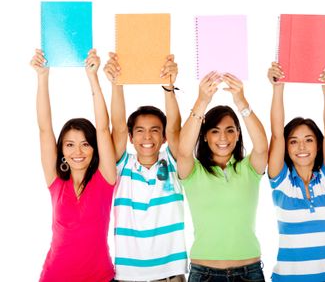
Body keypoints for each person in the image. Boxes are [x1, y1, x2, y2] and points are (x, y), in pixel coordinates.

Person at [31, 49, 116, 282]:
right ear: (62, 150)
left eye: (85, 144)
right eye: (69, 145)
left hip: (100, 277)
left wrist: (93, 78)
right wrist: (42, 77)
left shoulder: (106, 178)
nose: (77, 152)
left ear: (94, 149)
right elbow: (45, 128)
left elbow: (102, 127)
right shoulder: (55, 182)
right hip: (54, 276)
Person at [177, 72, 268, 282]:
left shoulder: (249, 169)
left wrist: (241, 101)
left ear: (238, 134)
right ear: (206, 137)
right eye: (215, 131)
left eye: (230, 130)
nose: (223, 138)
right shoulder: (193, 172)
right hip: (204, 274)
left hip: (249, 272)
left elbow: (262, 146)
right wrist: (202, 100)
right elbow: (183, 150)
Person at [103, 53, 187, 282]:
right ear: (131, 137)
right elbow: (118, 127)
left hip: (171, 273)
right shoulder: (122, 166)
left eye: (155, 130)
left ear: (164, 137)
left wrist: (169, 88)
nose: (147, 136)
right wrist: (117, 84)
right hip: (128, 275)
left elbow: (175, 129)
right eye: (140, 130)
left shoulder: (172, 163)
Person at [267, 62, 325, 282]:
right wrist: (278, 88)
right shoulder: (280, 182)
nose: (302, 147)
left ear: (318, 145)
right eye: (294, 141)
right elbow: (276, 134)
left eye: (308, 140)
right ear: (287, 148)